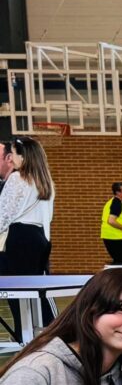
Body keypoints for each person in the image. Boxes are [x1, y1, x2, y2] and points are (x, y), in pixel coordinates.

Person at [0, 136, 56, 339]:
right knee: (37, 291)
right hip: (40, 238)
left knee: (16, 293)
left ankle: (23, 335)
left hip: (20, 237)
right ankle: (47, 332)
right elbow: (47, 216)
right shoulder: (45, 180)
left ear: (23, 156)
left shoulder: (17, 178)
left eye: (13, 153)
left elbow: (4, 214)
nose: (11, 158)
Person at [100, 181, 122, 265]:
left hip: (114, 237)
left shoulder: (115, 202)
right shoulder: (117, 203)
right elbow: (111, 221)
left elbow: (116, 220)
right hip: (114, 238)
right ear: (118, 192)